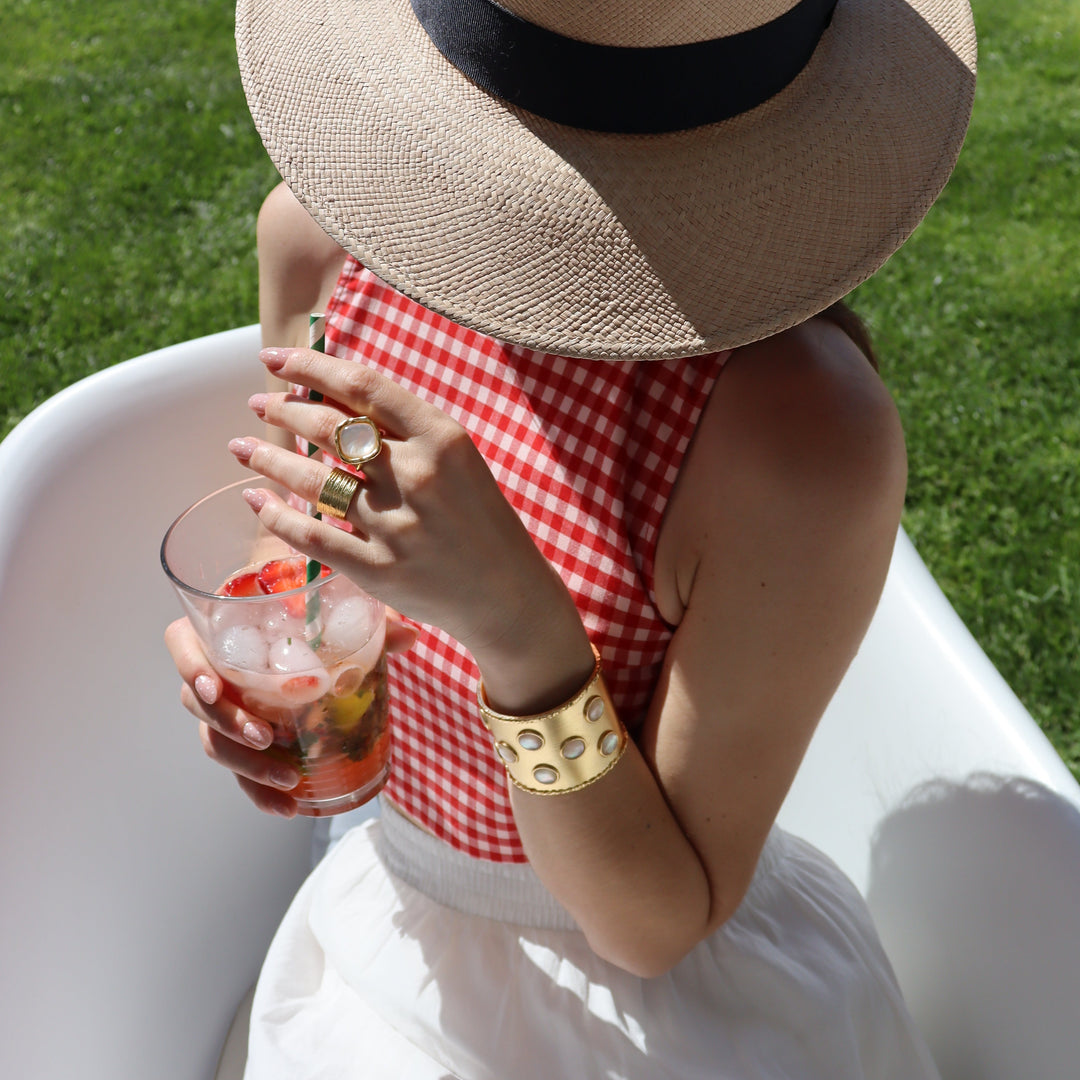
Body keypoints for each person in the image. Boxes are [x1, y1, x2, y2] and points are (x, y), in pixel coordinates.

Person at [166, 0, 977, 1075]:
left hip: (643, 1017)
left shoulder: (799, 438)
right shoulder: (321, 250)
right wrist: (289, 673)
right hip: (385, 915)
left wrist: (520, 633)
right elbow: (328, 574)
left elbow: (653, 928)